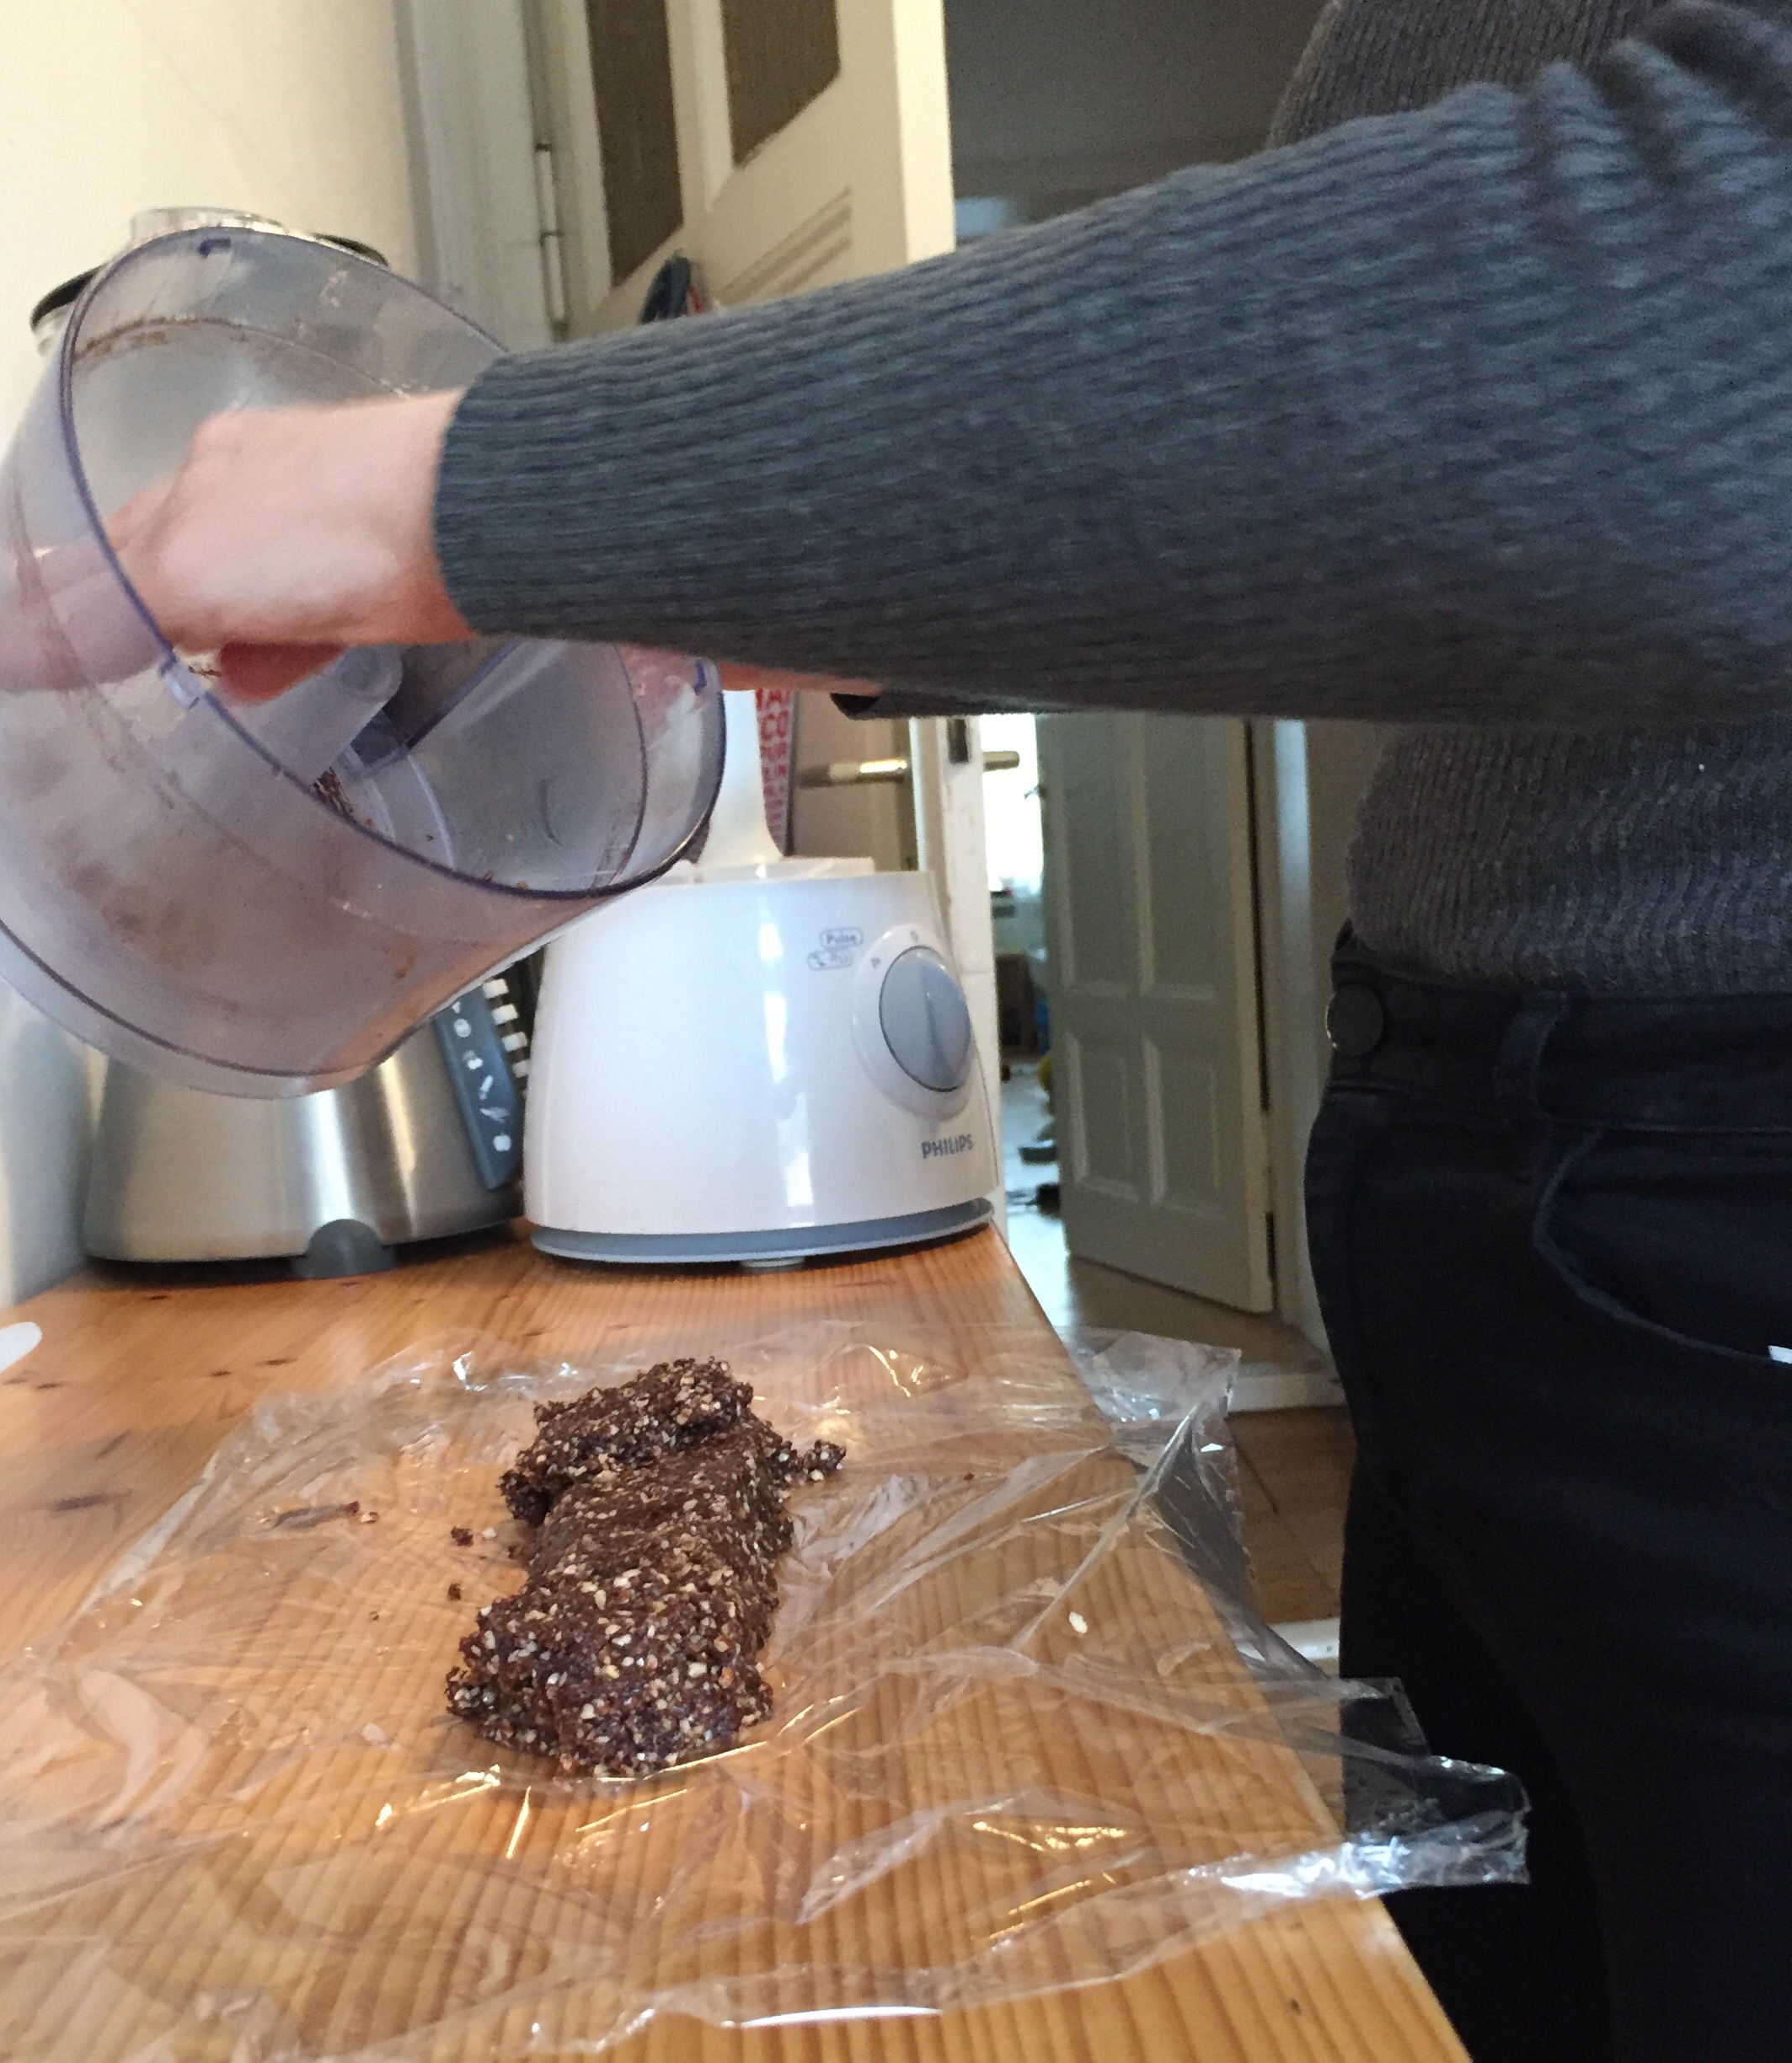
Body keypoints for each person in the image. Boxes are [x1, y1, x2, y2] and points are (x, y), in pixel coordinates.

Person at [111, 3, 1792, 2057]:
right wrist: (802, 587)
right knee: (1465, 1969)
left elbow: (1722, 297)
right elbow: (1418, 494)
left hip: (1726, 1190)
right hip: (1499, 1162)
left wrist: (477, 490)